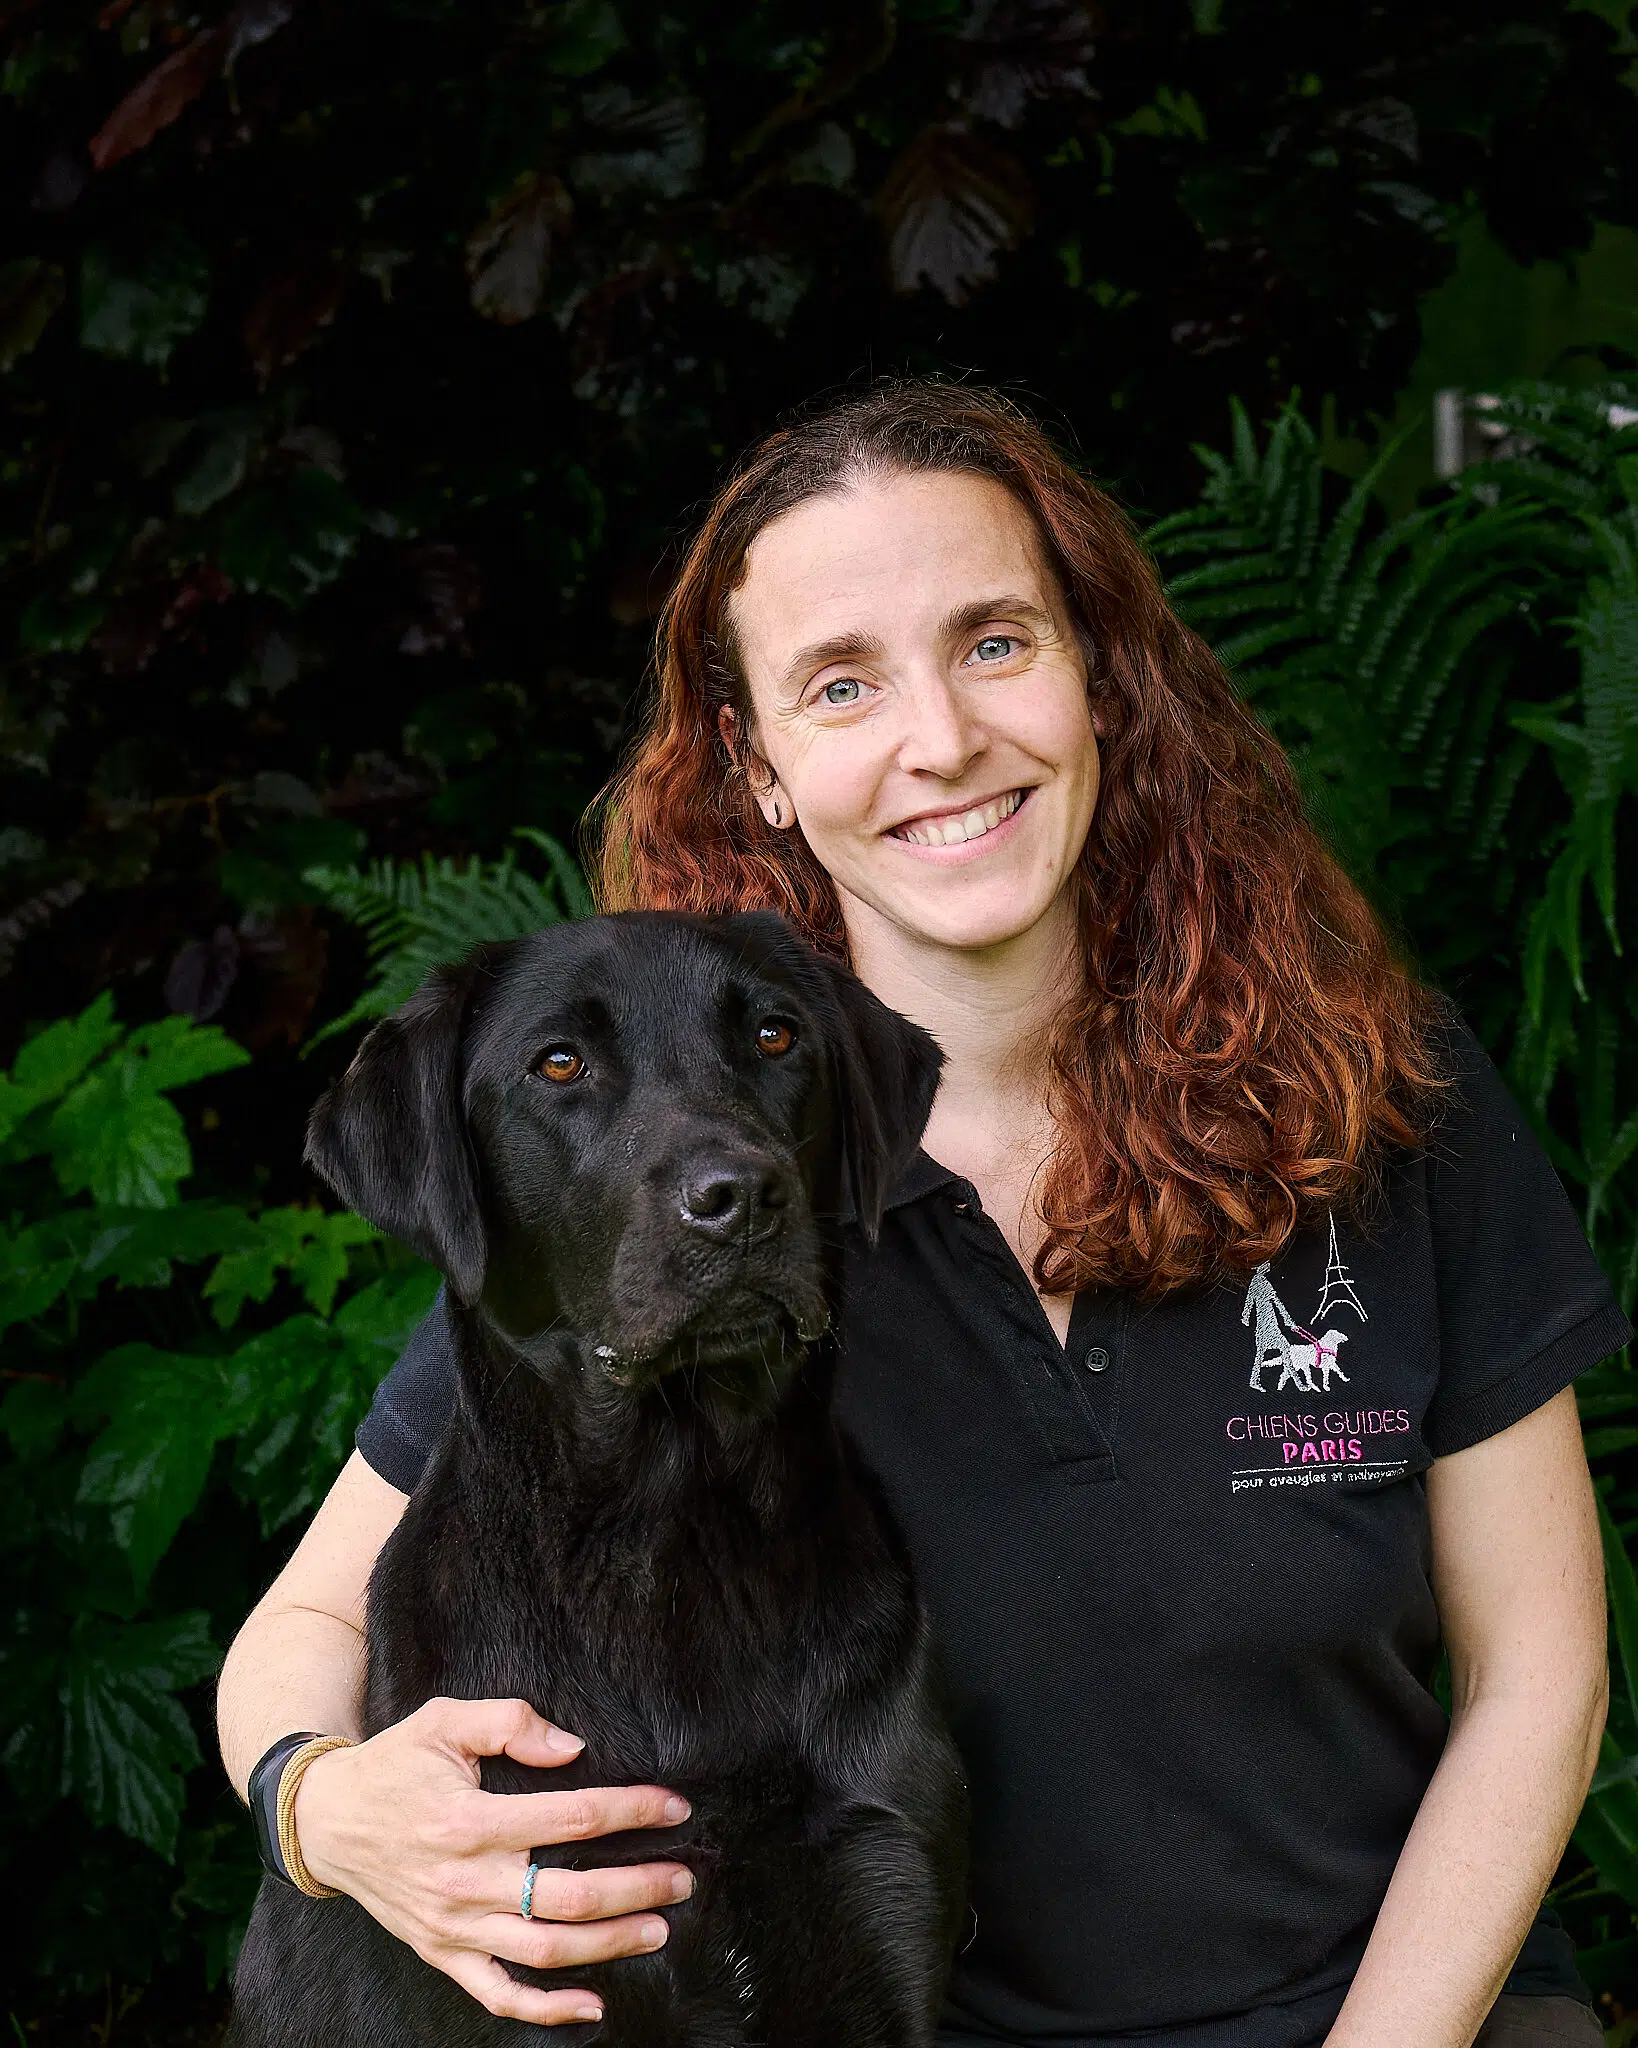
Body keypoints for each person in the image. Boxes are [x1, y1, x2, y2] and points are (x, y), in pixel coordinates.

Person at [216, 382, 1629, 2048]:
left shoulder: (1379, 1092)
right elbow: (303, 1625)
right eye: (840, 684)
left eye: (995, 642)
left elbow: (1538, 1673)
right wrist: (330, 1815)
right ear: (758, 768)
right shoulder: (705, 1197)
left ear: (1099, 672)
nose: (941, 740)